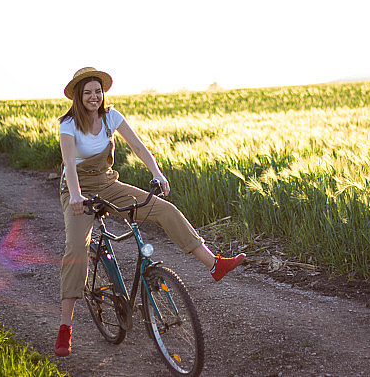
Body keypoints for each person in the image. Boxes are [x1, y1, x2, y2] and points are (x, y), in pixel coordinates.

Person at [54, 67, 245, 357]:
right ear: (78, 97)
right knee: (77, 249)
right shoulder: (68, 124)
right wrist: (77, 196)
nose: (94, 97)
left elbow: (141, 149)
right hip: (77, 188)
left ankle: (214, 264)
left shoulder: (111, 117)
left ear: (103, 93)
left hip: (107, 182)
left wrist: (157, 173)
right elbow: (69, 163)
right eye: (87, 93)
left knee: (165, 210)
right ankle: (65, 328)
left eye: (97, 91)